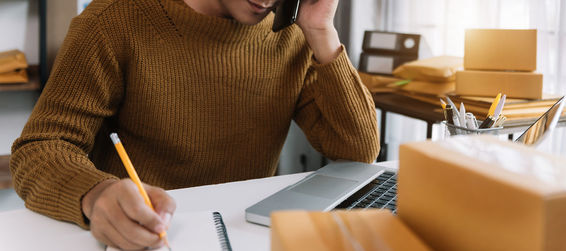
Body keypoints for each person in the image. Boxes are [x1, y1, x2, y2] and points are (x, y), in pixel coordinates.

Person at [10, 0, 379, 249]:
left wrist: (322, 31)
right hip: (143, 237)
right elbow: (40, 149)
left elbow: (357, 151)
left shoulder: (295, 33)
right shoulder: (113, 20)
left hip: (243, 235)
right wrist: (95, 195)